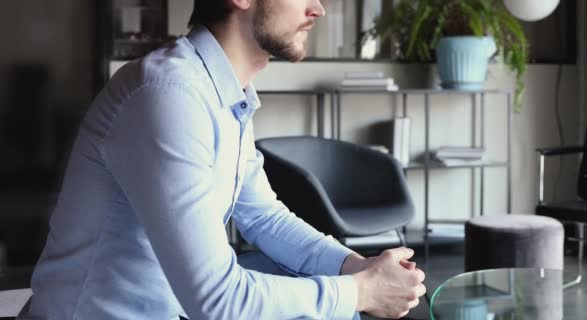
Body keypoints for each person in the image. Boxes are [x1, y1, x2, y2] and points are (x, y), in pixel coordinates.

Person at [19, 0, 426, 319]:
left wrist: (355, 266)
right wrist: (362, 291)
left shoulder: (224, 93)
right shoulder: (168, 95)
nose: (317, 8)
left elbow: (265, 217)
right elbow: (217, 301)